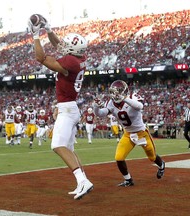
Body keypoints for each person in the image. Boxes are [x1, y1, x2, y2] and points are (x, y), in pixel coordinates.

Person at [28, 14, 93, 200]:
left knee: (57, 145)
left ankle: (83, 181)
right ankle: (83, 181)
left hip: (67, 109)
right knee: (69, 149)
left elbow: (41, 57)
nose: (64, 46)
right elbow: (60, 46)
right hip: (70, 107)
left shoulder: (71, 62)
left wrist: (35, 34)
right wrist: (48, 29)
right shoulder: (78, 58)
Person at [92, 80, 165, 187]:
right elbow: (101, 114)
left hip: (142, 133)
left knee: (152, 157)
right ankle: (128, 180)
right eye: (113, 92)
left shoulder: (132, 96)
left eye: (118, 92)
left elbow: (140, 106)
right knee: (119, 157)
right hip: (128, 134)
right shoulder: (111, 103)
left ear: (124, 91)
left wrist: (125, 99)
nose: (115, 94)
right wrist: (95, 106)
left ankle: (161, 165)